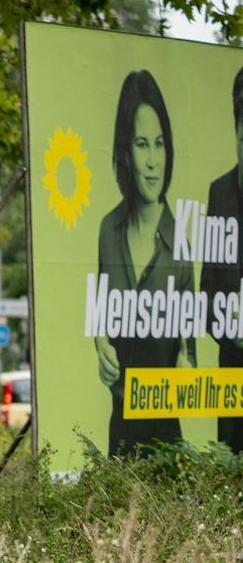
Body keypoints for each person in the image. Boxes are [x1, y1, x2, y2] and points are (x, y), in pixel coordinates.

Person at [96, 69, 193, 456]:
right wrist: (99, 344)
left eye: (159, 144)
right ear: (125, 152)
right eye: (141, 144)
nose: (153, 161)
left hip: (166, 436)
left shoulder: (182, 237)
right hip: (118, 432)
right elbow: (102, 314)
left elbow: (189, 342)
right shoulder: (107, 229)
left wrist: (188, 362)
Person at [200, 68, 243, 453]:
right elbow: (206, 291)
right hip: (232, 367)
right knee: (228, 466)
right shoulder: (220, 193)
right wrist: (229, 330)